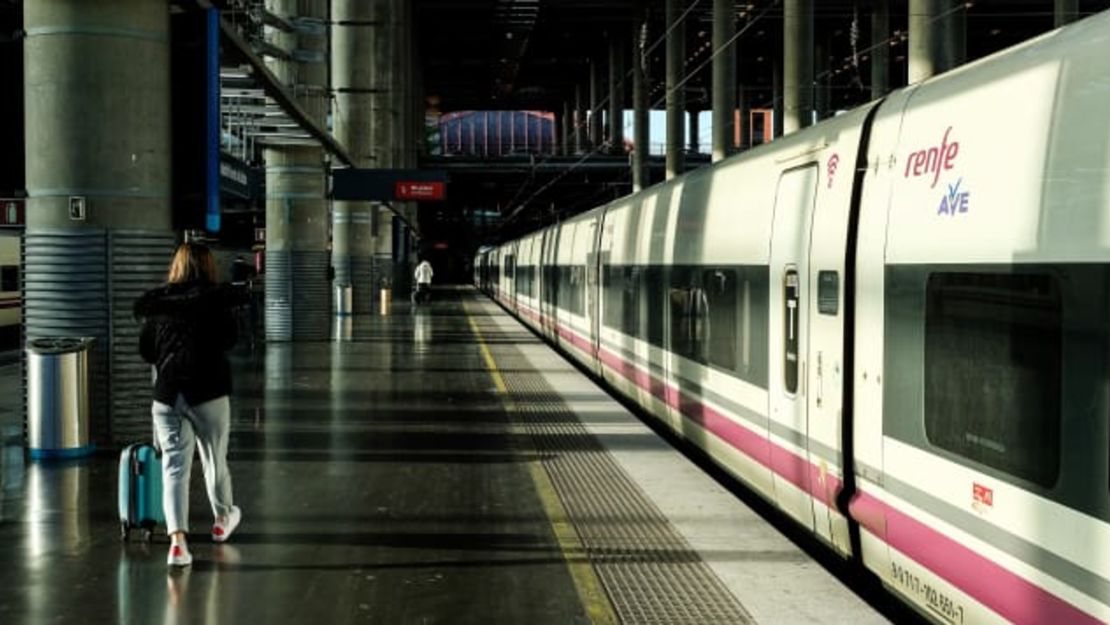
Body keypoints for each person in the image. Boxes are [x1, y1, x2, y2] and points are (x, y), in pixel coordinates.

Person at [134, 243, 245, 567]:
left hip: (168, 394)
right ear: (208, 267)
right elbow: (229, 339)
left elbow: (147, 350)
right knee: (214, 460)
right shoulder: (216, 300)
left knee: (174, 467)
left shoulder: (159, 303)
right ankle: (222, 520)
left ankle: (178, 544)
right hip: (208, 390)